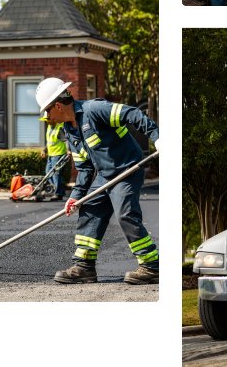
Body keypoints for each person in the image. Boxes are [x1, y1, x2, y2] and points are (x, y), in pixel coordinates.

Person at [35, 78, 160, 285]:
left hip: (127, 169)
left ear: (57, 105)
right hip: (104, 174)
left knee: (125, 214)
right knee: (89, 209)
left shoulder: (94, 109)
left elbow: (132, 113)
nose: (48, 117)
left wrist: (156, 136)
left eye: (47, 111)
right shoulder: (69, 130)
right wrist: (75, 198)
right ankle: (84, 267)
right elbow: (84, 168)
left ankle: (152, 266)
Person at [41, 121, 70, 201]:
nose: (47, 121)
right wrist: (44, 150)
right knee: (48, 173)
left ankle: (58, 194)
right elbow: (49, 141)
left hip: (58, 154)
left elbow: (66, 140)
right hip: (51, 155)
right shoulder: (50, 127)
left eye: (49, 119)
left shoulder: (59, 128)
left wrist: (68, 150)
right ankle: (60, 190)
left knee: (56, 175)